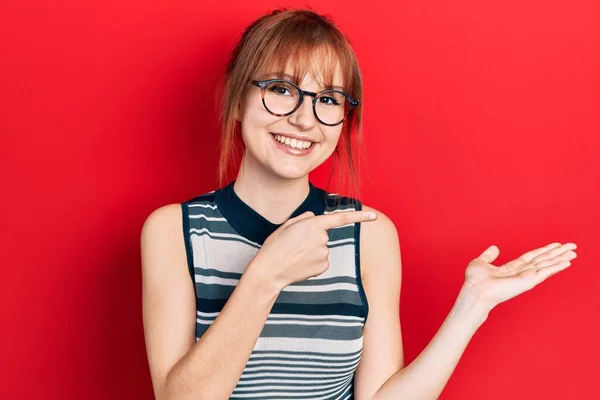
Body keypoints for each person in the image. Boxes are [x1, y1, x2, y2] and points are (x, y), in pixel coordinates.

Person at [140, 8, 578, 400]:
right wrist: (264, 278)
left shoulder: (368, 234)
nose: (304, 118)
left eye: (328, 100)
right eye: (280, 88)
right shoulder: (173, 231)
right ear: (238, 98)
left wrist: (473, 306)